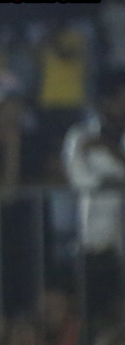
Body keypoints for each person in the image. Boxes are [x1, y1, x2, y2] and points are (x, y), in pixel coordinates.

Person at [62, 69, 125, 331]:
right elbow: (81, 180)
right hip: (94, 243)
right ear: (105, 101)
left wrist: (110, 151)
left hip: (121, 243)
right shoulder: (79, 136)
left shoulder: (106, 143)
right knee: (96, 319)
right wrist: (113, 180)